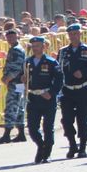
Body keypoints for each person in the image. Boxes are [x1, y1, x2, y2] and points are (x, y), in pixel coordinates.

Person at [58, 24, 87, 158]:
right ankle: (72, 145)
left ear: (80, 34)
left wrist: (83, 72)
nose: (73, 36)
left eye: (76, 33)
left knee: (83, 120)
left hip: (83, 88)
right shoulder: (63, 51)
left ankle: (82, 147)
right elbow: (58, 68)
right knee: (67, 120)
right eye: (71, 34)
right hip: (68, 90)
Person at [24, 36, 63, 164]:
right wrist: (22, 79)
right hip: (33, 98)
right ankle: (41, 146)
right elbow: (22, 77)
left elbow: (59, 80)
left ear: (43, 47)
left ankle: (47, 154)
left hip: (47, 98)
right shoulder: (27, 62)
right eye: (33, 46)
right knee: (32, 128)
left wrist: (51, 93)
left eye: (38, 46)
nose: (35, 48)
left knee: (48, 127)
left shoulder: (51, 62)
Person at [0, 29, 27, 144]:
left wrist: (7, 78)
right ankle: (21, 133)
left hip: (15, 82)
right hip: (19, 83)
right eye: (8, 38)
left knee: (12, 106)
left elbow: (17, 67)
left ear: (17, 37)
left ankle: (7, 134)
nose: (10, 39)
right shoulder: (17, 48)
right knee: (19, 107)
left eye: (12, 37)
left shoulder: (16, 50)